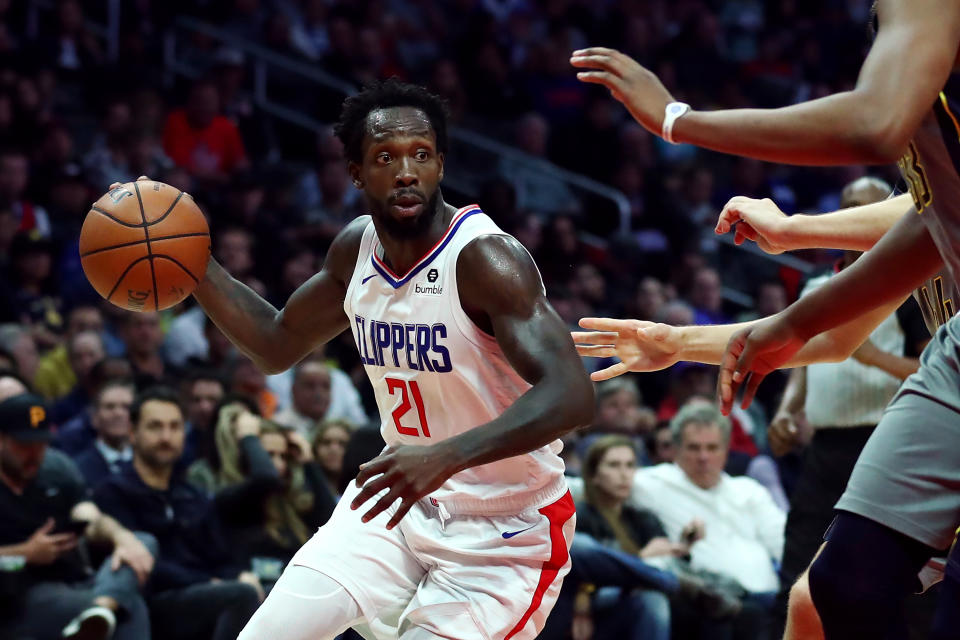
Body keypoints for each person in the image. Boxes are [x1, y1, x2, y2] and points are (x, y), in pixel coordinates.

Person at [570, 3, 960, 633]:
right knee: (821, 595)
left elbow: (878, 135)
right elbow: (840, 318)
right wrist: (678, 341)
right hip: (933, 388)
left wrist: (678, 120)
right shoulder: (935, 192)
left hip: (889, 410)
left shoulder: (913, 90)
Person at [161, 77, 594, 640]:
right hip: (395, 506)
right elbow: (275, 343)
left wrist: (445, 456)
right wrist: (195, 266)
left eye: (421, 155)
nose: (406, 171)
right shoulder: (356, 248)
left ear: (441, 164)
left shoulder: (486, 259)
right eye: (385, 157)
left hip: (506, 528)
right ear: (357, 173)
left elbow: (573, 394)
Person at [93, 387, 262, 640]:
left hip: (199, 594)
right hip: (151, 601)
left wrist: (240, 574)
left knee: (262, 590)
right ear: (133, 433)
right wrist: (208, 581)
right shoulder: (114, 490)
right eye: (155, 427)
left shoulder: (192, 493)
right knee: (240, 595)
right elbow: (144, 566)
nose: (166, 436)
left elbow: (221, 552)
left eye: (175, 427)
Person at [0, 391, 156, 640]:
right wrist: (25, 553)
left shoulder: (57, 468)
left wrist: (120, 537)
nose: (34, 453)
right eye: (24, 445)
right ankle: (101, 610)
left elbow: (88, 514)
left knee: (141, 541)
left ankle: (102, 608)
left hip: (75, 579)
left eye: (41, 444)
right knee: (130, 606)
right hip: (20, 593)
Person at [631, 403, 785, 640]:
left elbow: (783, 543)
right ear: (676, 449)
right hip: (710, 601)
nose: (704, 457)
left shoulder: (749, 491)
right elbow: (587, 485)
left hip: (767, 596)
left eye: (712, 448)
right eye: (694, 448)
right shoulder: (649, 483)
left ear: (726, 450)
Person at [73, 380, 135, 489]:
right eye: (109, 407)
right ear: (95, 417)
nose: (118, 413)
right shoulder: (77, 469)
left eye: (126, 407)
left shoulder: (151, 462)